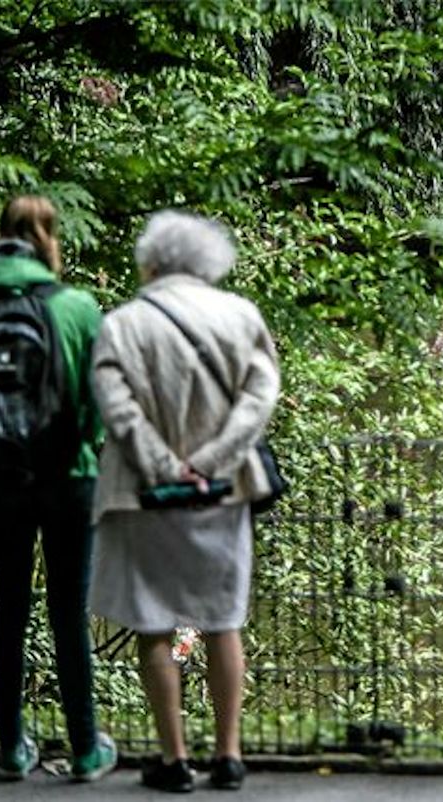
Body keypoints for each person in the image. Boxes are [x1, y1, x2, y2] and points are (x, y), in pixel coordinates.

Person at [89, 210, 279, 793]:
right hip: (223, 494)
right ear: (209, 261)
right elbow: (260, 396)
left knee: (154, 625)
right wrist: (212, 463)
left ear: (151, 259)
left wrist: (165, 468)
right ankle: (228, 754)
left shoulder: (123, 324)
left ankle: (173, 760)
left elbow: (116, 408)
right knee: (224, 622)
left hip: (146, 496)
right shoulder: (239, 315)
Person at [0, 195, 116, 781]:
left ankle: (11, 749)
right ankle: (84, 748)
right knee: (69, 613)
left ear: (1, 236)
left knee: (9, 611)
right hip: (69, 478)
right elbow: (98, 403)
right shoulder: (77, 308)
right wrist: (82, 445)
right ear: (51, 239)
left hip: (0, 483)